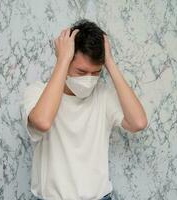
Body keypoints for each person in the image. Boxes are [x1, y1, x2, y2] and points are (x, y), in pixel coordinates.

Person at [19, 19, 147, 200]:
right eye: (81, 71)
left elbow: (139, 122)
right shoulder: (37, 92)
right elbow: (42, 122)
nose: (89, 79)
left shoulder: (103, 96)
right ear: (66, 60)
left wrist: (109, 62)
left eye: (96, 73)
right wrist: (62, 59)